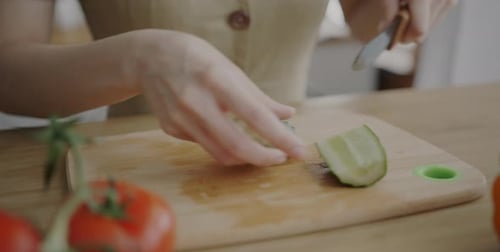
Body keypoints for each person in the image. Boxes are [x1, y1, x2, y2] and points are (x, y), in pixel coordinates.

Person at [0, 0, 456, 166]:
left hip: (299, 170)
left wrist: (397, 10)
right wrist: (139, 58)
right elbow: (8, 68)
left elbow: (363, 18)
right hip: (146, 174)